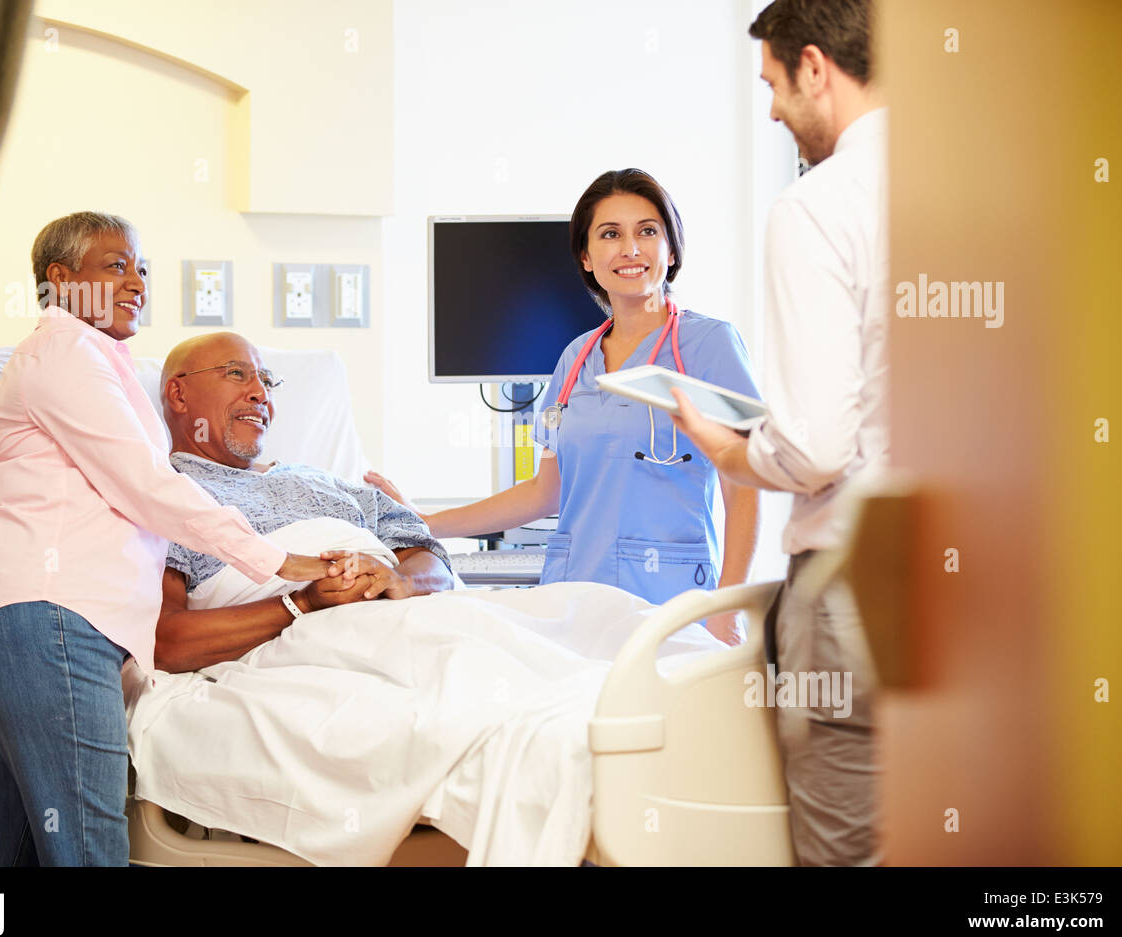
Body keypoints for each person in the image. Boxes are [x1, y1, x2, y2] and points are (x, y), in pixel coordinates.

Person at [0, 212, 351, 866]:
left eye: (140, 269)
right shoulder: (64, 351)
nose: (136, 282)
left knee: (0, 860)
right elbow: (145, 485)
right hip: (50, 624)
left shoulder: (98, 362)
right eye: (115, 266)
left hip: (23, 630)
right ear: (62, 279)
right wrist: (279, 562)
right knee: (88, 852)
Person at [668, 0, 887, 865]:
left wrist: (726, 447)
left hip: (861, 582)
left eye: (772, 85)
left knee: (850, 848)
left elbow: (816, 447)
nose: (770, 112)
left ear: (813, 66)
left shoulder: (819, 206)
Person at [367, 169, 760, 645]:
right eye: (610, 234)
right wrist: (423, 524)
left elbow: (744, 484)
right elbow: (543, 493)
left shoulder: (709, 345)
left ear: (671, 250)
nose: (630, 249)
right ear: (587, 258)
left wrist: (728, 605)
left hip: (671, 599)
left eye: (647, 231)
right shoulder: (575, 359)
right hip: (573, 599)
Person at [152, 332, 456, 672]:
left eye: (267, 381)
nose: (261, 394)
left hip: (408, 630)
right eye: (236, 373)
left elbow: (432, 559)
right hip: (308, 658)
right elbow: (165, 643)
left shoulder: (327, 482)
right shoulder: (165, 495)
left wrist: (399, 581)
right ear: (179, 395)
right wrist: (301, 603)